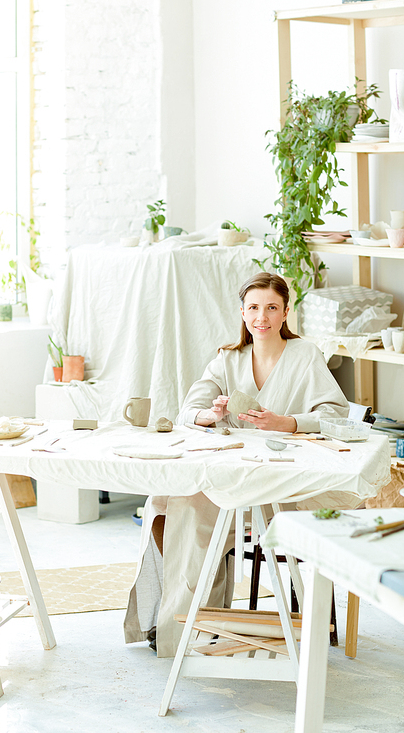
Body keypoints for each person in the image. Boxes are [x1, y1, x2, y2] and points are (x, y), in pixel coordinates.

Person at [124, 272, 349, 657]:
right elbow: (187, 411)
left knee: (189, 508)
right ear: (243, 313)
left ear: (285, 312)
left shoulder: (304, 355)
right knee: (164, 503)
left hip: (280, 481)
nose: (262, 316)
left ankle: (189, 627)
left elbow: (336, 414)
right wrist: (209, 416)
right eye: (254, 308)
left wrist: (288, 422)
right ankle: (191, 619)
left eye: (272, 308)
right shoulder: (228, 358)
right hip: (230, 471)